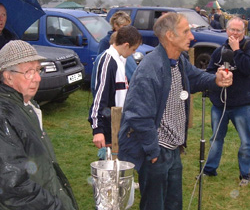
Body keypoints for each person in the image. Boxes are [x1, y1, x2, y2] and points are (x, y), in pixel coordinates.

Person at [118, 12, 233, 210]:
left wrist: (216, 79)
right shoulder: (150, 69)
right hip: (156, 150)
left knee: (173, 204)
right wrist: (153, 152)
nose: (192, 36)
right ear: (170, 36)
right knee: (154, 205)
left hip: (173, 149)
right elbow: (138, 116)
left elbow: (196, 78)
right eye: (186, 31)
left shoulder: (178, 61)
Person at [0, 40, 78, 210]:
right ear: (8, 76)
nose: (37, 78)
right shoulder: (4, 116)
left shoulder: (29, 106)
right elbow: (14, 187)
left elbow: (44, 165)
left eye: (38, 70)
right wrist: (56, 206)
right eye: (28, 72)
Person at [204, 16, 250, 186]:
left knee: (246, 141)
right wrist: (216, 75)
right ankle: (209, 170)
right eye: (232, 30)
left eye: (239, 30)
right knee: (215, 139)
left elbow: (247, 68)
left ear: (244, 32)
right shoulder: (219, 50)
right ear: (227, 30)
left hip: (242, 104)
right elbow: (208, 73)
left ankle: (245, 174)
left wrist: (237, 50)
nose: (235, 33)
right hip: (220, 104)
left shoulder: (247, 47)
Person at [89, 25, 142, 150]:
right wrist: (98, 130)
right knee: (109, 163)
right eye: (133, 49)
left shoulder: (119, 59)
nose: (133, 53)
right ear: (126, 45)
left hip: (119, 124)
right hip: (108, 127)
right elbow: (99, 98)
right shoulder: (108, 61)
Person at [97, 11, 137, 81]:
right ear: (115, 25)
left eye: (128, 26)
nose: (127, 29)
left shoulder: (126, 40)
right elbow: (101, 65)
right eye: (124, 26)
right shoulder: (105, 42)